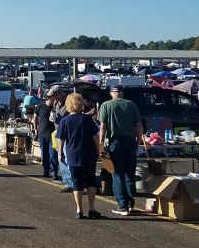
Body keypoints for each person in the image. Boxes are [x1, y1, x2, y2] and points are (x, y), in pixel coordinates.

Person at [98, 84, 143, 216]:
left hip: (115, 142)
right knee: (130, 173)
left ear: (111, 93)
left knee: (117, 174)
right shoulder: (131, 105)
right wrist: (138, 143)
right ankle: (130, 203)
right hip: (130, 141)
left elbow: (102, 127)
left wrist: (101, 145)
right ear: (122, 93)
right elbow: (139, 126)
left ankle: (122, 205)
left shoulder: (106, 105)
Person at [57, 93, 102, 219]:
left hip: (73, 155)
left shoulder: (64, 120)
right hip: (89, 153)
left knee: (77, 183)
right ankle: (92, 209)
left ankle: (79, 210)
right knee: (91, 182)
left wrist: (61, 153)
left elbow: (61, 140)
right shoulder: (87, 119)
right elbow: (95, 136)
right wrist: (99, 150)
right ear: (81, 103)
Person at [46, 85, 73, 193]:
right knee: (60, 158)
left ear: (59, 94)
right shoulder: (55, 103)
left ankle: (72, 182)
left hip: (67, 133)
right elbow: (53, 113)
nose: (52, 98)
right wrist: (51, 117)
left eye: (53, 95)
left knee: (68, 157)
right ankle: (67, 182)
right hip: (58, 131)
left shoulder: (69, 102)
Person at [33, 93, 59, 179]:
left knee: (53, 154)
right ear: (48, 98)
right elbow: (35, 117)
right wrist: (35, 129)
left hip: (53, 134)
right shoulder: (40, 106)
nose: (54, 100)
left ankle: (54, 172)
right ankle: (46, 170)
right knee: (44, 154)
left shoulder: (55, 107)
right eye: (53, 98)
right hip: (42, 133)